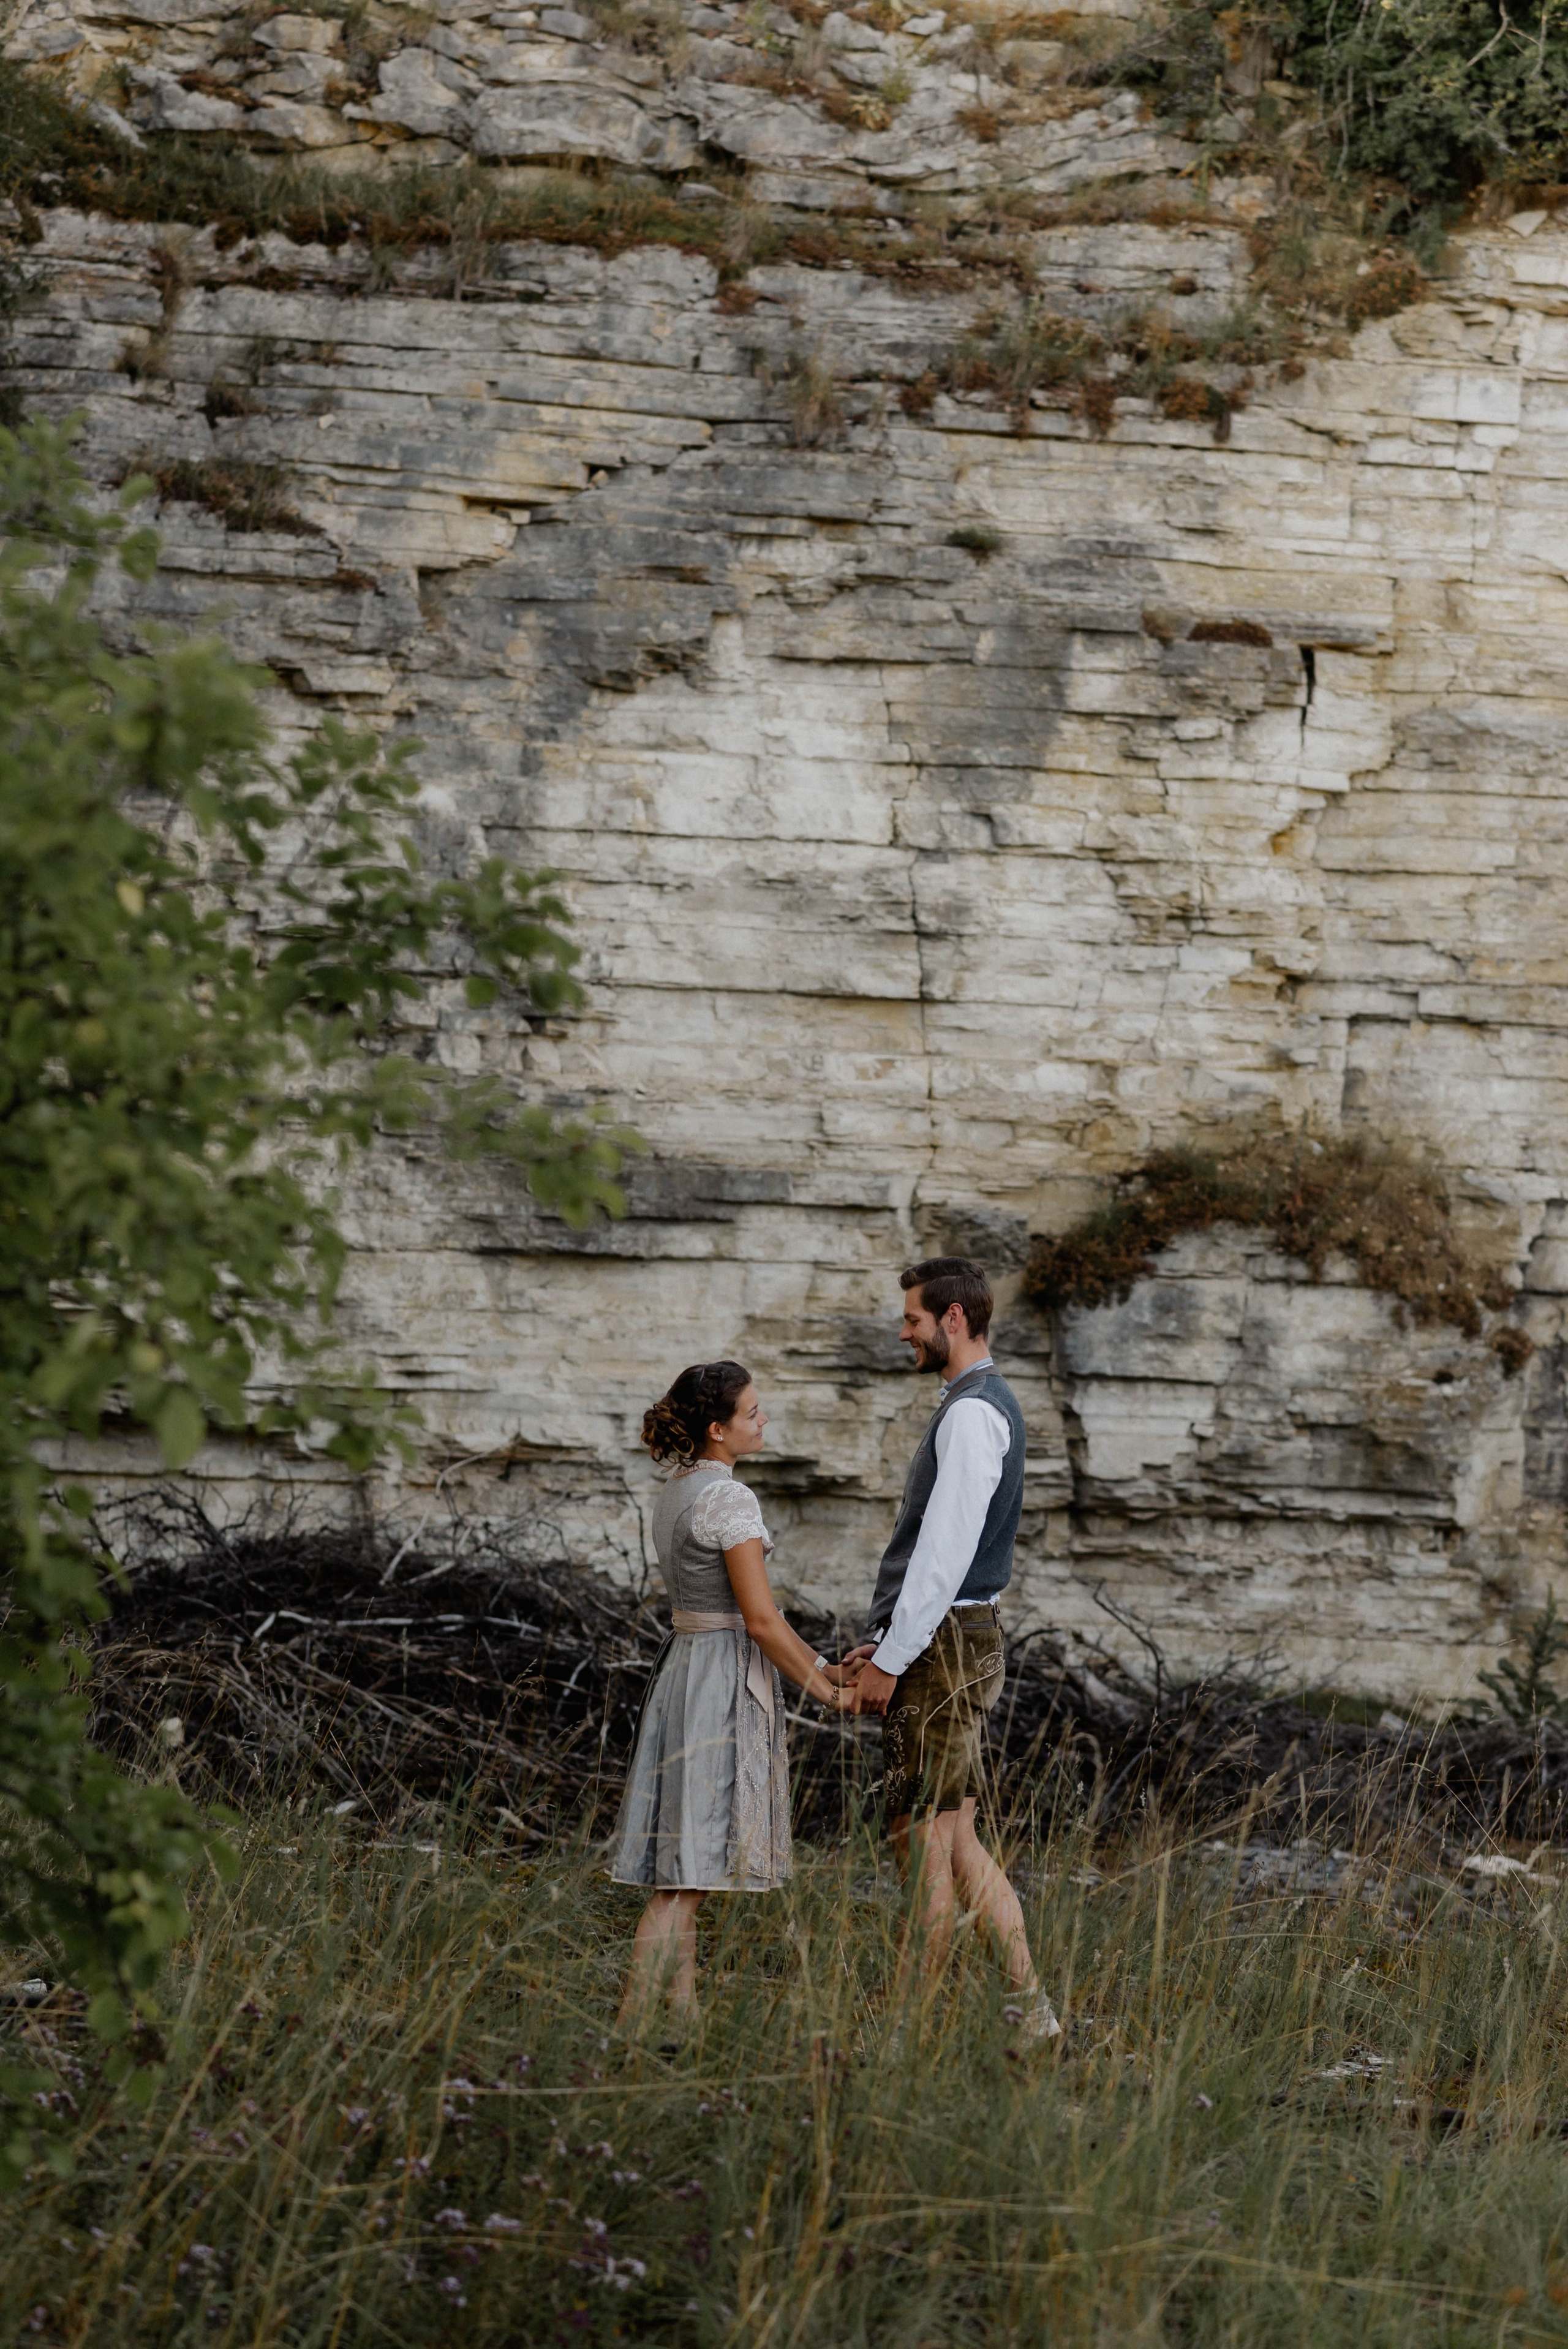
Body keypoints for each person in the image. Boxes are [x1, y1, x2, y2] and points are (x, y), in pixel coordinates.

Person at [843, 1258, 1061, 2044]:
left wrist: (891, 1659)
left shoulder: (972, 1414)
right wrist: (886, 1639)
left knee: (921, 1843)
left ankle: (902, 2037)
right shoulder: (975, 1404)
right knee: (958, 1841)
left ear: (954, 1319)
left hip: (941, 1652)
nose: (903, 1332)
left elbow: (943, 1554)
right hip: (953, 1641)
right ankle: (1033, 2016)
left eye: (913, 1319)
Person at [608, 1359, 854, 2033]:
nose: (763, 1418)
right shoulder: (729, 1498)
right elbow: (761, 1621)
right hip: (719, 1679)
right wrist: (824, 1692)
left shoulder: (678, 1489)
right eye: (752, 1412)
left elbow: (756, 1619)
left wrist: (825, 1667)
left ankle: (683, 2028)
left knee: (685, 1870)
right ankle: (627, 2033)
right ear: (717, 1429)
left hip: (685, 1669)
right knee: (684, 1883)